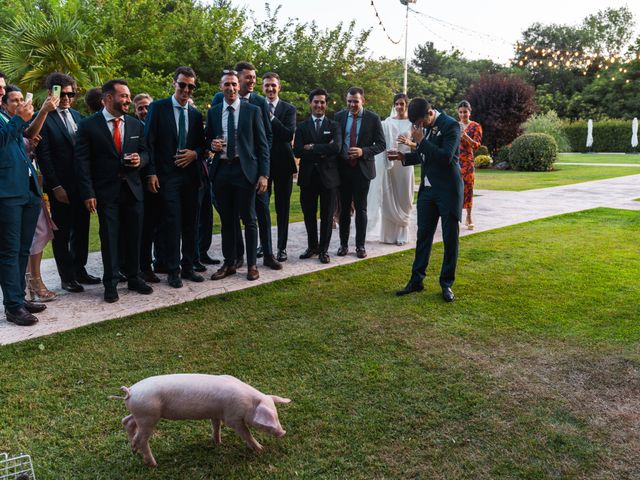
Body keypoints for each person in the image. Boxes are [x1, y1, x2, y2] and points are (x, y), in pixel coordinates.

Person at [75, 79, 153, 303]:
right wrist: (88, 193)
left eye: (129, 96)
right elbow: (82, 162)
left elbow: (146, 152)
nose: (129, 100)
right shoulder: (89, 125)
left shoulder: (136, 124)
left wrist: (141, 160)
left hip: (133, 190)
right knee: (109, 238)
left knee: (134, 235)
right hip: (105, 192)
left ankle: (135, 277)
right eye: (124, 96)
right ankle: (110, 283)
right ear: (109, 98)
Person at [390, 98, 463, 303]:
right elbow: (425, 157)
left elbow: (445, 157)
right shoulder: (425, 128)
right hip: (427, 192)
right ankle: (416, 280)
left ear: (430, 113)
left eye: (419, 123)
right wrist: (404, 158)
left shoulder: (451, 125)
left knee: (450, 239)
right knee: (423, 236)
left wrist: (421, 141)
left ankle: (446, 284)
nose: (417, 127)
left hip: (448, 191)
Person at [211, 62, 281, 271]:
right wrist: (211, 145)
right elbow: (210, 137)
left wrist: (261, 169)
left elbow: (265, 137)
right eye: (247, 78)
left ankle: (264, 256)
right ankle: (234, 259)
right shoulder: (217, 106)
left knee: (258, 214)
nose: (251, 81)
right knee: (229, 218)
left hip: (250, 168)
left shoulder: (257, 104)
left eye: (253, 77)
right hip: (224, 169)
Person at [36, 72, 101, 293]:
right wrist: (55, 186)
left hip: (81, 185)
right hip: (59, 186)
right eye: (62, 93)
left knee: (82, 229)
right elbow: (43, 157)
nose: (66, 98)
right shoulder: (43, 117)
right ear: (51, 93)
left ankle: (79, 269)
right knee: (62, 233)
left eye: (70, 94)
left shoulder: (78, 116)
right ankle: (67, 276)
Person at [0, 85, 57, 326]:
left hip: (28, 189)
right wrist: (17, 120)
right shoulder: (9, 119)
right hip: (7, 193)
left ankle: (20, 298)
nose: (1, 90)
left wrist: (40, 113)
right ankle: (13, 307)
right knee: (9, 252)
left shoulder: (7, 117)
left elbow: (26, 135)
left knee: (24, 248)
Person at [145, 67, 206, 288]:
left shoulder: (196, 114)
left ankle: (189, 266)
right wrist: (151, 171)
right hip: (166, 176)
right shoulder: (158, 108)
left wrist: (195, 153)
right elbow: (148, 142)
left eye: (191, 86)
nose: (186, 89)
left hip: (191, 177)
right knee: (172, 223)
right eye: (182, 84)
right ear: (174, 83)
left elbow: (202, 145)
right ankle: (173, 270)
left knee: (191, 223)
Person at [334, 87, 385, 259]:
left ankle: (360, 246)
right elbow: (336, 142)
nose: (352, 104)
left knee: (361, 209)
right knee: (344, 209)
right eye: (349, 101)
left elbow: (381, 144)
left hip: (362, 170)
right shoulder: (339, 117)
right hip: (343, 169)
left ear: (363, 100)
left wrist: (363, 151)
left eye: (355, 101)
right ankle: (343, 245)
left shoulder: (373, 118)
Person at [294, 89, 341, 264]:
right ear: (310, 103)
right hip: (308, 177)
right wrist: (323, 149)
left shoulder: (334, 125)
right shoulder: (302, 126)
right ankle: (312, 246)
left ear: (326, 104)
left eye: (322, 102)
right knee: (309, 215)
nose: (319, 105)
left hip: (328, 179)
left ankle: (324, 250)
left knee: (327, 216)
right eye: (316, 102)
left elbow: (336, 147)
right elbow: (297, 150)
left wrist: (312, 147)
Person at [367, 93, 415, 245]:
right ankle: (388, 235)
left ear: (407, 105)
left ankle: (402, 232)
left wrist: (409, 142)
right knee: (389, 196)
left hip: (405, 164)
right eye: (397, 104)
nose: (399, 107)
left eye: (402, 104)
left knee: (404, 197)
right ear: (394, 105)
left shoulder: (412, 123)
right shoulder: (387, 122)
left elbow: (419, 145)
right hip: (390, 164)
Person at [262, 72, 297, 262]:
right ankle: (264, 245)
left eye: (273, 85)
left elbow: (287, 134)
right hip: (263, 166)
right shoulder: (256, 106)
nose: (270, 89)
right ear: (262, 87)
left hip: (283, 165)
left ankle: (281, 248)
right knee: (262, 207)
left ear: (279, 87)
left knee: (282, 208)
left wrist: (272, 117)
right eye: (267, 85)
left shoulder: (289, 109)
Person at [457, 100, 482, 230]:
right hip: (455, 162)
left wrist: (466, 136)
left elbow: (477, 145)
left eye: (465, 112)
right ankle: (456, 216)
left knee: (468, 188)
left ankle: (469, 216)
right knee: (456, 189)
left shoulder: (475, 126)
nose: (463, 115)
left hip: (468, 162)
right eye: (460, 112)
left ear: (470, 112)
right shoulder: (455, 126)